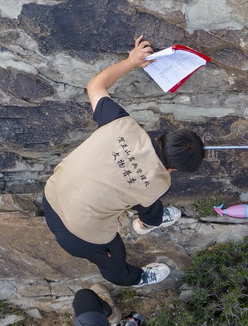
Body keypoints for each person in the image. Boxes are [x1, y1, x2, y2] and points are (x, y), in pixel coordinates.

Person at [42, 35, 205, 287]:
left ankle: (128, 218)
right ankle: (134, 279)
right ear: (175, 169)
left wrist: (131, 61)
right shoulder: (158, 183)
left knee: (126, 194)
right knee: (114, 256)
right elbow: (149, 214)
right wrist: (145, 223)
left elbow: (95, 86)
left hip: (52, 195)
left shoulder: (121, 123)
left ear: (164, 136)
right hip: (80, 237)